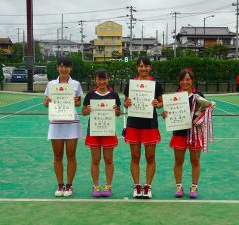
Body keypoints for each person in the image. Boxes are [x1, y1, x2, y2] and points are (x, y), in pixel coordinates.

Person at [161, 68, 214, 199]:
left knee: (195, 161)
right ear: (179, 81)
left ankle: (194, 187)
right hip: (179, 133)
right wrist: (165, 115)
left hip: (195, 134)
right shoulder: (174, 98)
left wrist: (200, 120)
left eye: (188, 79)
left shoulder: (199, 96)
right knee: (178, 161)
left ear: (192, 81)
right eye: (182, 80)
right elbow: (167, 115)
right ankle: (179, 186)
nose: (185, 82)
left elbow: (206, 112)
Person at [123, 56, 163, 199]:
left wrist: (156, 104)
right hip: (134, 124)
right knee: (135, 157)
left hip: (150, 125)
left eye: (146, 66)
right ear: (137, 68)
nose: (143, 69)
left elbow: (161, 103)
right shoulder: (130, 84)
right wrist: (126, 103)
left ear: (150, 67)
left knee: (150, 157)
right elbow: (126, 102)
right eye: (140, 66)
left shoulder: (156, 84)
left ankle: (147, 187)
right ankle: (137, 186)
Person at [44, 56, 83, 197]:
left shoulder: (76, 84)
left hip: (71, 123)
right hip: (56, 124)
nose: (63, 69)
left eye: (66, 66)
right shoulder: (51, 84)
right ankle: (60, 185)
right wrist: (48, 100)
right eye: (60, 66)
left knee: (71, 155)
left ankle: (69, 185)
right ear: (57, 68)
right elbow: (46, 103)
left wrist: (74, 101)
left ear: (70, 68)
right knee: (58, 155)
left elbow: (79, 103)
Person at [82, 69, 121, 198]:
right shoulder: (90, 95)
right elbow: (83, 112)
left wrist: (116, 110)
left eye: (104, 79)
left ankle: (108, 185)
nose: (102, 82)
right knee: (95, 160)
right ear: (95, 80)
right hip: (94, 130)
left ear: (108, 79)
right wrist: (87, 110)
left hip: (108, 130)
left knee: (108, 159)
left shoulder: (114, 95)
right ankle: (96, 185)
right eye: (99, 79)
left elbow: (118, 113)